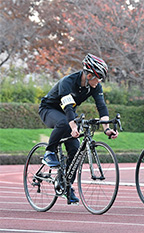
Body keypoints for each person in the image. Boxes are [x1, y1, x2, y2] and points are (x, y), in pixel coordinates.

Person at [39, 53, 119, 203]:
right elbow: (68, 107)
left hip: (67, 113)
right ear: (89, 75)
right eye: (98, 77)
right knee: (64, 123)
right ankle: (49, 152)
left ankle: (66, 186)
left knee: (75, 151)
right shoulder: (67, 82)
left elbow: (101, 106)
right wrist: (73, 126)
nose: (100, 81)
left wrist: (107, 128)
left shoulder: (94, 86)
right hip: (49, 109)